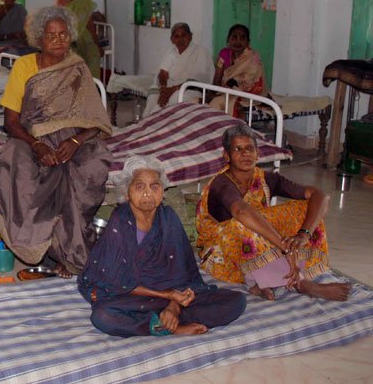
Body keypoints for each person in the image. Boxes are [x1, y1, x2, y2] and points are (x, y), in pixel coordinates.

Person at [0, 6, 112, 278]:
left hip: (74, 139)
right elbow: (11, 121)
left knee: (93, 163)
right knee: (18, 169)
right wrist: (37, 145)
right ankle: (51, 252)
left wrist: (76, 140)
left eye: (64, 34)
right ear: (39, 38)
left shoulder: (76, 66)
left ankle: (70, 256)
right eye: (51, 35)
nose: (58, 40)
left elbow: (95, 119)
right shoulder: (24, 66)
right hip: (33, 137)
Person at [78, 156, 246, 337]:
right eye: (139, 186)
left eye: (155, 186)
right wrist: (168, 296)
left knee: (237, 300)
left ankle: (166, 319)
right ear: (127, 193)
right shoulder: (120, 220)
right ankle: (166, 328)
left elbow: (182, 275)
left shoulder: (168, 218)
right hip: (134, 297)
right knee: (103, 316)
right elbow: (118, 282)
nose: (148, 193)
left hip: (171, 298)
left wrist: (174, 306)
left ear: (162, 191)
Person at [197, 124, 351, 301]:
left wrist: (303, 235)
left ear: (258, 153)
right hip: (219, 255)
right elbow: (241, 211)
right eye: (238, 149)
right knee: (244, 223)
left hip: (255, 245)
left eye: (250, 148)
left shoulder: (266, 178)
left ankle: (266, 280)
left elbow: (320, 196)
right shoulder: (221, 183)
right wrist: (285, 248)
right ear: (227, 155)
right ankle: (300, 284)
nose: (245, 154)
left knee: (300, 208)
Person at [143, 22, 213, 116]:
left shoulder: (201, 53)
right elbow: (163, 72)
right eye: (177, 36)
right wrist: (164, 89)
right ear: (172, 40)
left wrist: (172, 90)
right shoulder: (172, 51)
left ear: (190, 36)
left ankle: (162, 125)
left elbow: (197, 82)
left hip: (191, 90)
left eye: (184, 35)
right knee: (153, 93)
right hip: (170, 87)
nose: (180, 40)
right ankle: (148, 121)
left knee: (174, 98)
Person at [209, 24, 266, 117]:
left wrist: (233, 85)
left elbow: (249, 81)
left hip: (248, 94)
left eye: (242, 38)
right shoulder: (224, 54)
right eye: (234, 37)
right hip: (225, 91)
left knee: (220, 103)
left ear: (248, 42)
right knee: (201, 101)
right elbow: (217, 80)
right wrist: (211, 94)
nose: (238, 41)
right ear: (228, 40)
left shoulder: (253, 58)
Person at [54, 0, 102, 78]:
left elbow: (90, 23)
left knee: (94, 55)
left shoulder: (85, 1)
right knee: (73, 59)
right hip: (68, 38)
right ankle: (75, 89)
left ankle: (92, 87)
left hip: (84, 37)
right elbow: (56, 19)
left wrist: (97, 44)